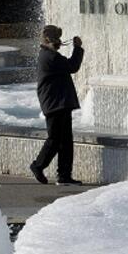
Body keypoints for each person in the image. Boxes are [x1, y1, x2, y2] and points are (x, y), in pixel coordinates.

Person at [31, 25, 84, 185]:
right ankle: (38, 165)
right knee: (55, 140)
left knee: (65, 141)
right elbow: (72, 66)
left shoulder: (48, 55)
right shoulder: (50, 57)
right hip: (55, 104)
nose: (60, 43)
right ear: (49, 40)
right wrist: (77, 48)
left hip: (58, 103)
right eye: (57, 40)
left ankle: (64, 176)